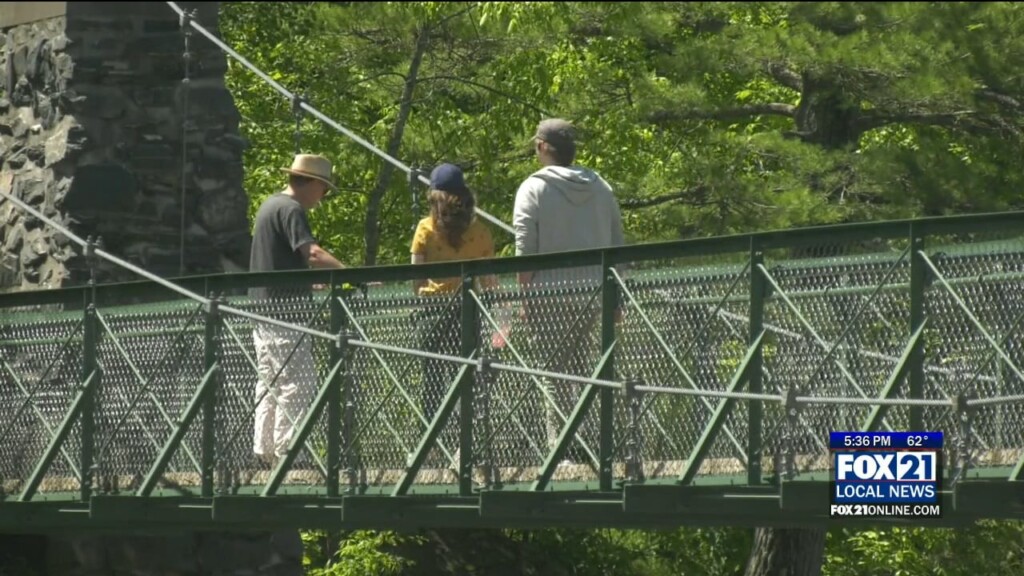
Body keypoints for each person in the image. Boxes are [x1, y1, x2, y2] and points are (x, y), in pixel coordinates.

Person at [512, 118, 626, 457]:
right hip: (595, 293)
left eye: (536, 145)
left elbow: (524, 251)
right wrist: (616, 298)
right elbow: (618, 246)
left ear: (545, 148)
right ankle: (590, 446)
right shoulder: (601, 187)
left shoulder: (533, 188)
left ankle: (559, 452)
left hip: (549, 294)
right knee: (585, 371)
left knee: (553, 373)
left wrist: (524, 297)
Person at [249, 153, 347, 466]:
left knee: (269, 383)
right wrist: (349, 276)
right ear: (313, 183)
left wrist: (309, 284)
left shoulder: (269, 205)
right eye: (324, 188)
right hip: (285, 316)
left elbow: (279, 263)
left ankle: (265, 452)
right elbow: (313, 254)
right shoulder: (291, 209)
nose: (323, 196)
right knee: (298, 382)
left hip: (263, 311)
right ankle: (290, 453)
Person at [410, 163, 497, 428]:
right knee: (467, 371)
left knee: (433, 375)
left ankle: (432, 434)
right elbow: (490, 281)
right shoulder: (480, 232)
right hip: (467, 311)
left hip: (433, 311)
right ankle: (467, 430)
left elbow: (417, 275)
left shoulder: (425, 229)